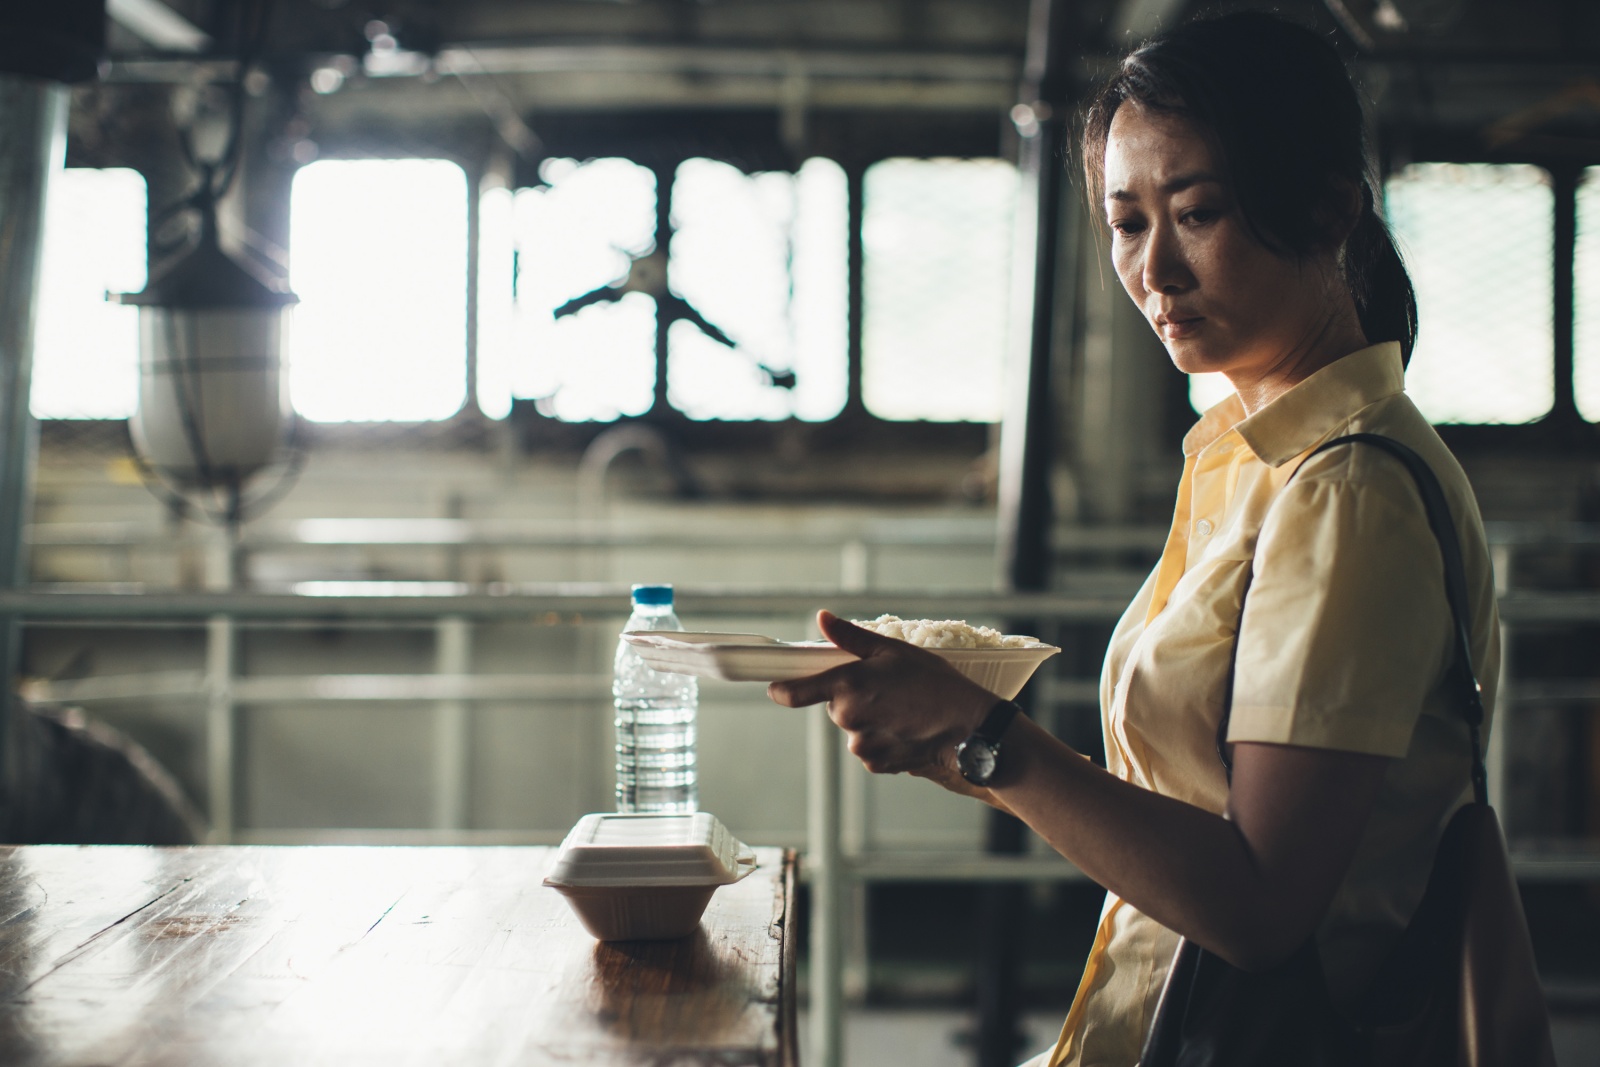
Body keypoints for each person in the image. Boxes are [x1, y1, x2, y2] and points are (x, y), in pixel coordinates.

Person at [766, 12, 1500, 1067]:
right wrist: (958, 737)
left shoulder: (1345, 490)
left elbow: (1257, 906)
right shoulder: (1250, 455)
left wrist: (990, 739)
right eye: (1124, 221)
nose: (1154, 270)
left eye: (1196, 213)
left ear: (1331, 207)